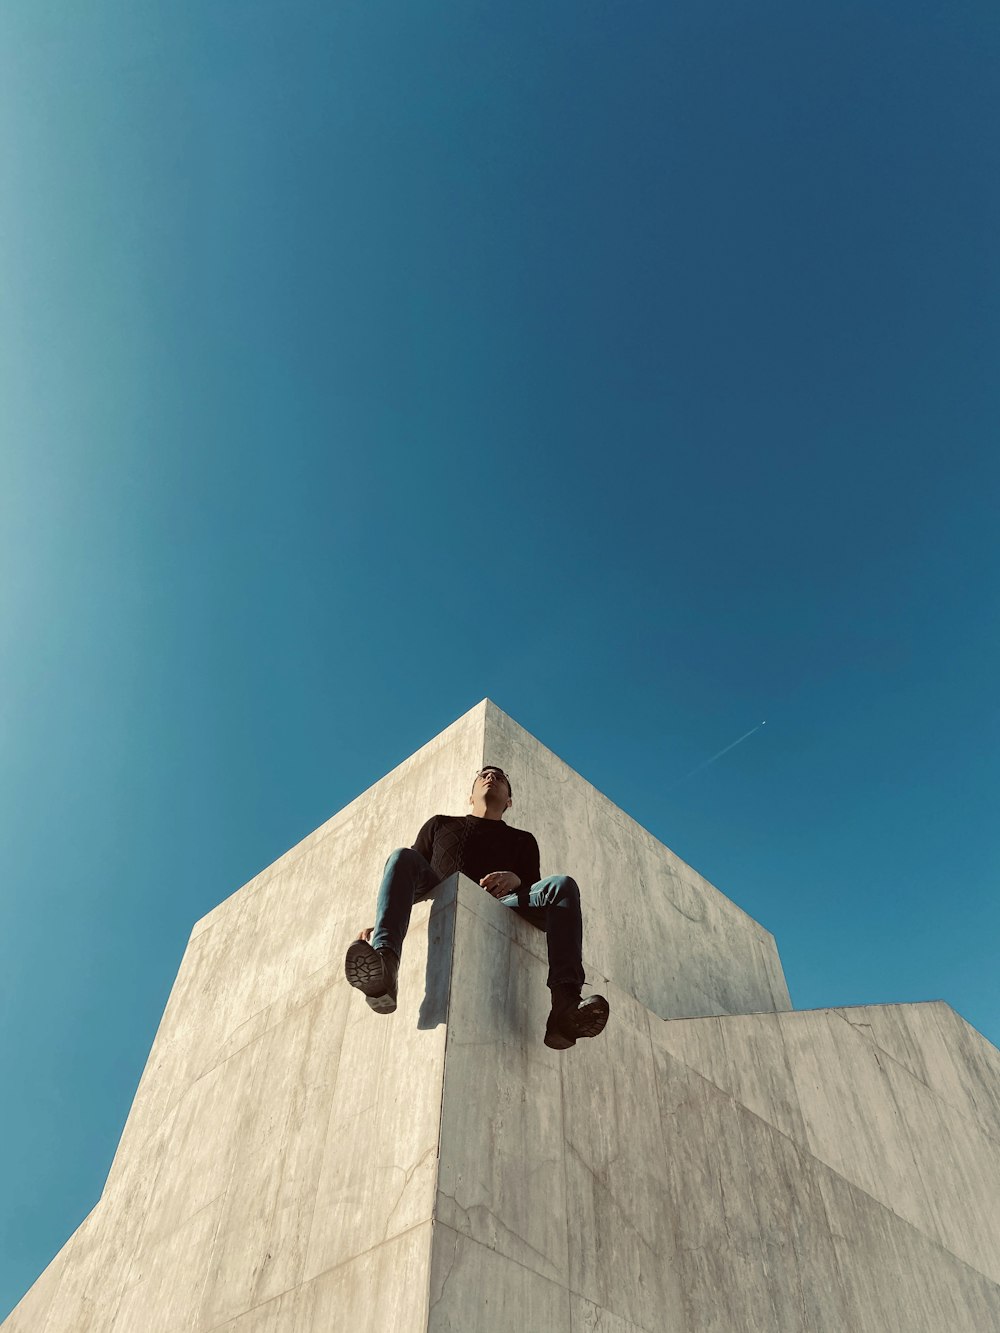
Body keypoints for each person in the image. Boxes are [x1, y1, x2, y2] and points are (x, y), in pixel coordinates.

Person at [345, 766, 610, 1050]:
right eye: (483, 775)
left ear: (509, 802)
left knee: (563, 885)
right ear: (470, 796)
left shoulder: (523, 840)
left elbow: (535, 889)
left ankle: (565, 1005)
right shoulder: (439, 825)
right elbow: (406, 872)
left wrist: (517, 878)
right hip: (439, 888)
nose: (490, 777)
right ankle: (385, 967)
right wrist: (382, 922)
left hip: (503, 903)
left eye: (500, 777)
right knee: (400, 856)